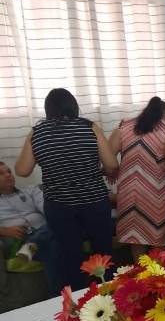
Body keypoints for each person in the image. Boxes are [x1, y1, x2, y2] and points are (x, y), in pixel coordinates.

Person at [15, 88, 118, 293]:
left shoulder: (37, 132)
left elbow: (22, 170)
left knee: (69, 256)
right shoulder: (89, 127)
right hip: (94, 202)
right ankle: (108, 296)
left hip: (59, 206)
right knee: (103, 252)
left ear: (48, 109)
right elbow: (112, 164)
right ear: (73, 106)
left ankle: (78, 301)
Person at [109, 97, 165, 258]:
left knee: (136, 241)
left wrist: (112, 172)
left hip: (128, 196)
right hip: (155, 196)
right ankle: (159, 273)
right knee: (159, 243)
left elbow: (108, 157)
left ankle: (141, 273)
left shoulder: (124, 127)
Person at [0, 162, 56, 293]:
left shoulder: (30, 190)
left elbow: (48, 210)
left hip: (45, 231)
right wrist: (3, 230)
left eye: (9, 171)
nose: (8, 175)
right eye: (1, 174)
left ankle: (57, 295)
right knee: (52, 243)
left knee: (53, 237)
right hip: (20, 239)